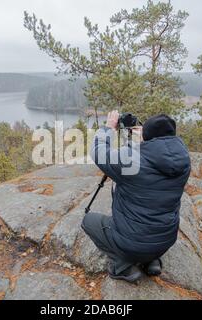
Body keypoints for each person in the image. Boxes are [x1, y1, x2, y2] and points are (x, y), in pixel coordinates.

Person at [82, 110, 191, 283]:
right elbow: (150, 160)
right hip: (165, 240)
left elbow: (98, 151)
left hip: (132, 244)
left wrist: (109, 127)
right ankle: (151, 261)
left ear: (148, 137)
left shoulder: (131, 162)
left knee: (88, 221)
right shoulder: (184, 159)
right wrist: (144, 139)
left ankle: (123, 266)